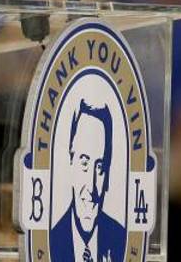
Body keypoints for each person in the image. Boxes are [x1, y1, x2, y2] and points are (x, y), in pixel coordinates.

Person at [49, 98, 126, 262]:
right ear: (70, 162)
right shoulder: (50, 240)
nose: (91, 187)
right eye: (84, 163)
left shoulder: (121, 240)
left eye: (99, 167)